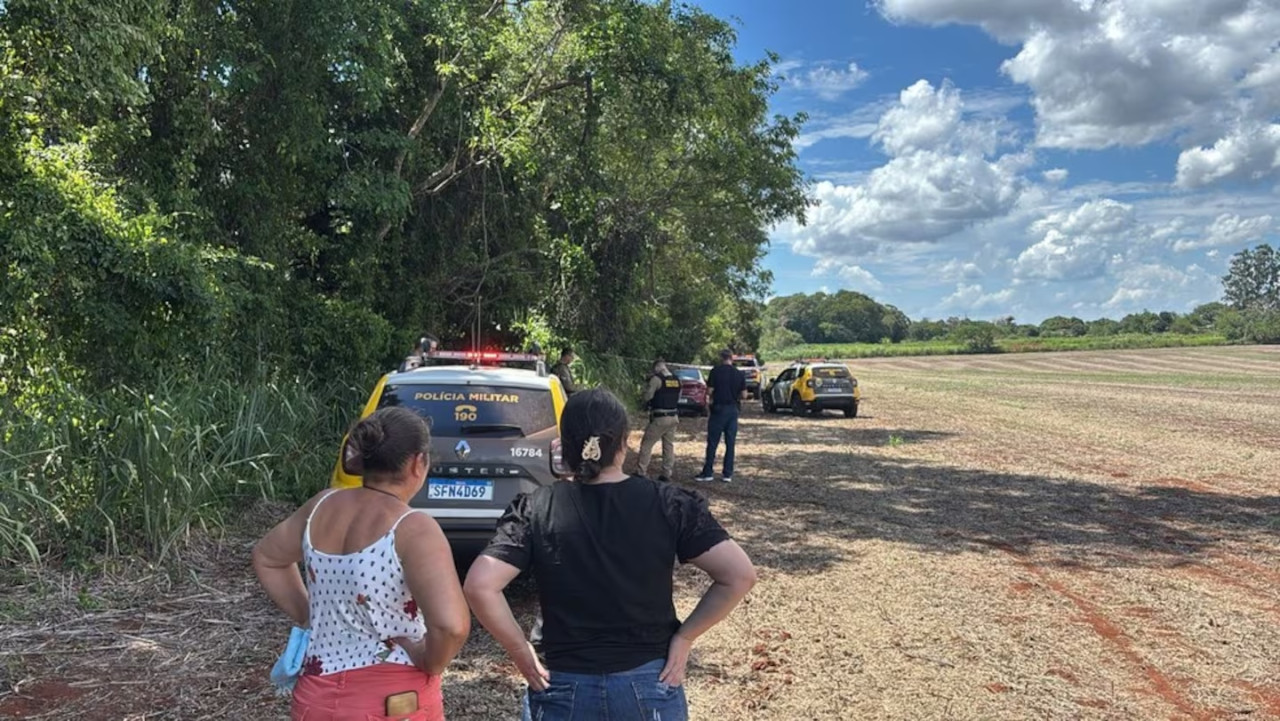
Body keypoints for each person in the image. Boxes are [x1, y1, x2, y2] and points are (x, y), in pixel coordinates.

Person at [463, 389, 757, 721]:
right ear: (623, 442)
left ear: (565, 445)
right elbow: (739, 576)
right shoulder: (669, 503)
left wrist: (519, 651)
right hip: (650, 683)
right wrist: (685, 637)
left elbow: (479, 585)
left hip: (561, 683)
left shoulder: (537, 507)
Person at [252, 407, 470, 721]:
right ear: (418, 462)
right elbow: (452, 626)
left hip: (316, 696)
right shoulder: (412, 527)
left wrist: (308, 614)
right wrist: (430, 661)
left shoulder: (322, 506)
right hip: (393, 700)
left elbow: (267, 557)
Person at [695, 349, 746, 483]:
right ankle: (727, 474)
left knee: (712, 442)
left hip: (718, 409)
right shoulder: (739, 374)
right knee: (730, 443)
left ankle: (708, 472)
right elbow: (744, 394)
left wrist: (709, 401)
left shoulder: (715, 371)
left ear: (721, 358)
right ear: (732, 358)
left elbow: (710, 390)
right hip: (733, 410)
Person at [636, 357, 681, 482]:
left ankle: (641, 472)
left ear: (657, 367)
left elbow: (647, 396)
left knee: (646, 444)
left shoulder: (657, 379)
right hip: (674, 417)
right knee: (668, 446)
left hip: (660, 417)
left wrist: (645, 388)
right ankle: (666, 473)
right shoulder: (677, 380)